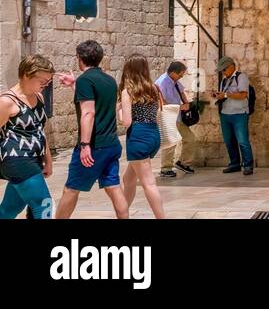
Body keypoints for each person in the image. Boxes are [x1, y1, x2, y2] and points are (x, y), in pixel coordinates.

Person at [55, 40, 127, 219]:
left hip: (94, 146)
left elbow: (89, 113)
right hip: (111, 144)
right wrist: (74, 85)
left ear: (80, 58)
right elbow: (96, 101)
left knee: (71, 189)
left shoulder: (85, 80)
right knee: (113, 187)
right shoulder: (109, 80)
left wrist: (85, 145)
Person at [0, 54, 55, 219]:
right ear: (26, 75)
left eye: (48, 82)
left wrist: (48, 160)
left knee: (9, 210)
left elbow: (40, 130)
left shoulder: (38, 97)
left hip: (33, 159)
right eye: (42, 81)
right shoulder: (7, 102)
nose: (45, 85)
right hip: (17, 159)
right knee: (43, 204)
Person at [117, 54, 165, 219]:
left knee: (148, 183)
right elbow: (158, 112)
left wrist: (120, 112)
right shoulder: (153, 87)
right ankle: (122, 214)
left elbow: (127, 122)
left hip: (138, 136)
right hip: (153, 135)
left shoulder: (127, 91)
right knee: (128, 179)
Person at [213, 56, 253, 175]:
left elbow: (243, 94)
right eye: (222, 71)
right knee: (229, 141)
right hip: (226, 114)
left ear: (231, 67)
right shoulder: (224, 81)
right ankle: (234, 163)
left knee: (243, 141)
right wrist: (218, 95)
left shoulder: (241, 77)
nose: (223, 73)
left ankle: (248, 165)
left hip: (239, 114)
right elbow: (224, 94)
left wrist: (225, 95)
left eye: (224, 70)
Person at [155, 61, 196, 178]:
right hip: (168, 116)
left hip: (177, 116)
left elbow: (181, 92)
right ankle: (166, 168)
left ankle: (183, 162)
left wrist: (187, 104)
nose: (182, 76)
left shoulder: (175, 81)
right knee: (170, 142)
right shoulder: (163, 82)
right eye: (180, 74)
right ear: (173, 72)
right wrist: (179, 107)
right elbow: (161, 100)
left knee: (190, 138)